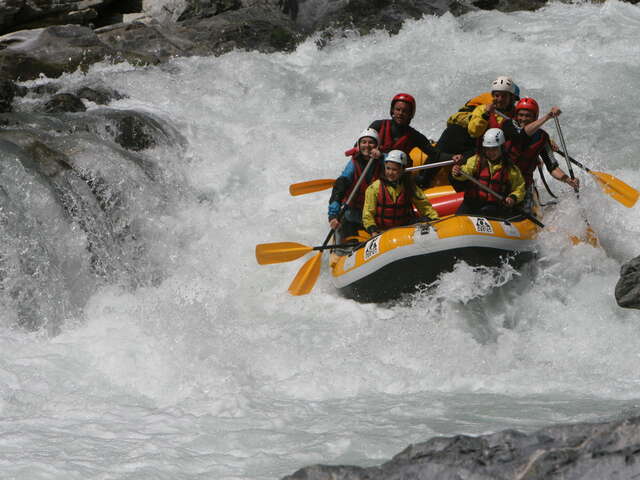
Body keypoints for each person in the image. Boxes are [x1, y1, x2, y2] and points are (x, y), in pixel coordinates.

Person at [352, 93, 456, 187]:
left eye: (405, 111)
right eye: (398, 109)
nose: (400, 113)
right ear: (392, 110)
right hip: (372, 172)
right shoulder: (378, 126)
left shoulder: (414, 136)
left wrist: (453, 157)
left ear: (411, 114)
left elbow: (435, 154)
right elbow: (359, 146)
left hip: (396, 178)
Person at [505, 97, 580, 194]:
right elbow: (522, 135)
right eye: (520, 115)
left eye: (528, 116)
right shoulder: (508, 126)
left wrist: (567, 180)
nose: (523, 119)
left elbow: (552, 167)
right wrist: (548, 116)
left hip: (523, 183)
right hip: (503, 180)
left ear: (535, 117)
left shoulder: (542, 137)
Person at [438, 76, 520, 158]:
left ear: (511, 98)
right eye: (497, 95)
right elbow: (474, 131)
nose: (500, 99)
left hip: (483, 146)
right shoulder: (483, 107)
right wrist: (486, 114)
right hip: (460, 135)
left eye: (504, 96)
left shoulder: (515, 113)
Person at [451, 128, 525, 219]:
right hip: (471, 203)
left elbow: (519, 188)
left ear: (501, 148)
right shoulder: (476, 160)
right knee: (459, 218)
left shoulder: (510, 169)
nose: (491, 152)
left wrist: (513, 197)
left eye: (494, 149)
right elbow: (466, 171)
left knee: (488, 210)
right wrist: (459, 172)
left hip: (494, 206)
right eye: (488, 149)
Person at [362, 150, 439, 236]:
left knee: (424, 221)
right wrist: (373, 231)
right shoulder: (374, 188)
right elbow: (368, 214)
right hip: (382, 231)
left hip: (404, 229)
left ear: (402, 170)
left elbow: (424, 205)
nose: (390, 173)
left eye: (394, 169)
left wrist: (434, 219)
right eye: (388, 168)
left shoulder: (409, 186)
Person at [328, 128, 383, 242]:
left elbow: (400, 165)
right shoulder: (353, 165)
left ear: (377, 145)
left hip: (376, 213)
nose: (367, 145)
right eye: (364, 142)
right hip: (354, 213)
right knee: (344, 221)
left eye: (371, 142)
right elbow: (339, 188)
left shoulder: (385, 160)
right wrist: (333, 216)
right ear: (358, 145)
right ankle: (344, 249)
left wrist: (381, 156)